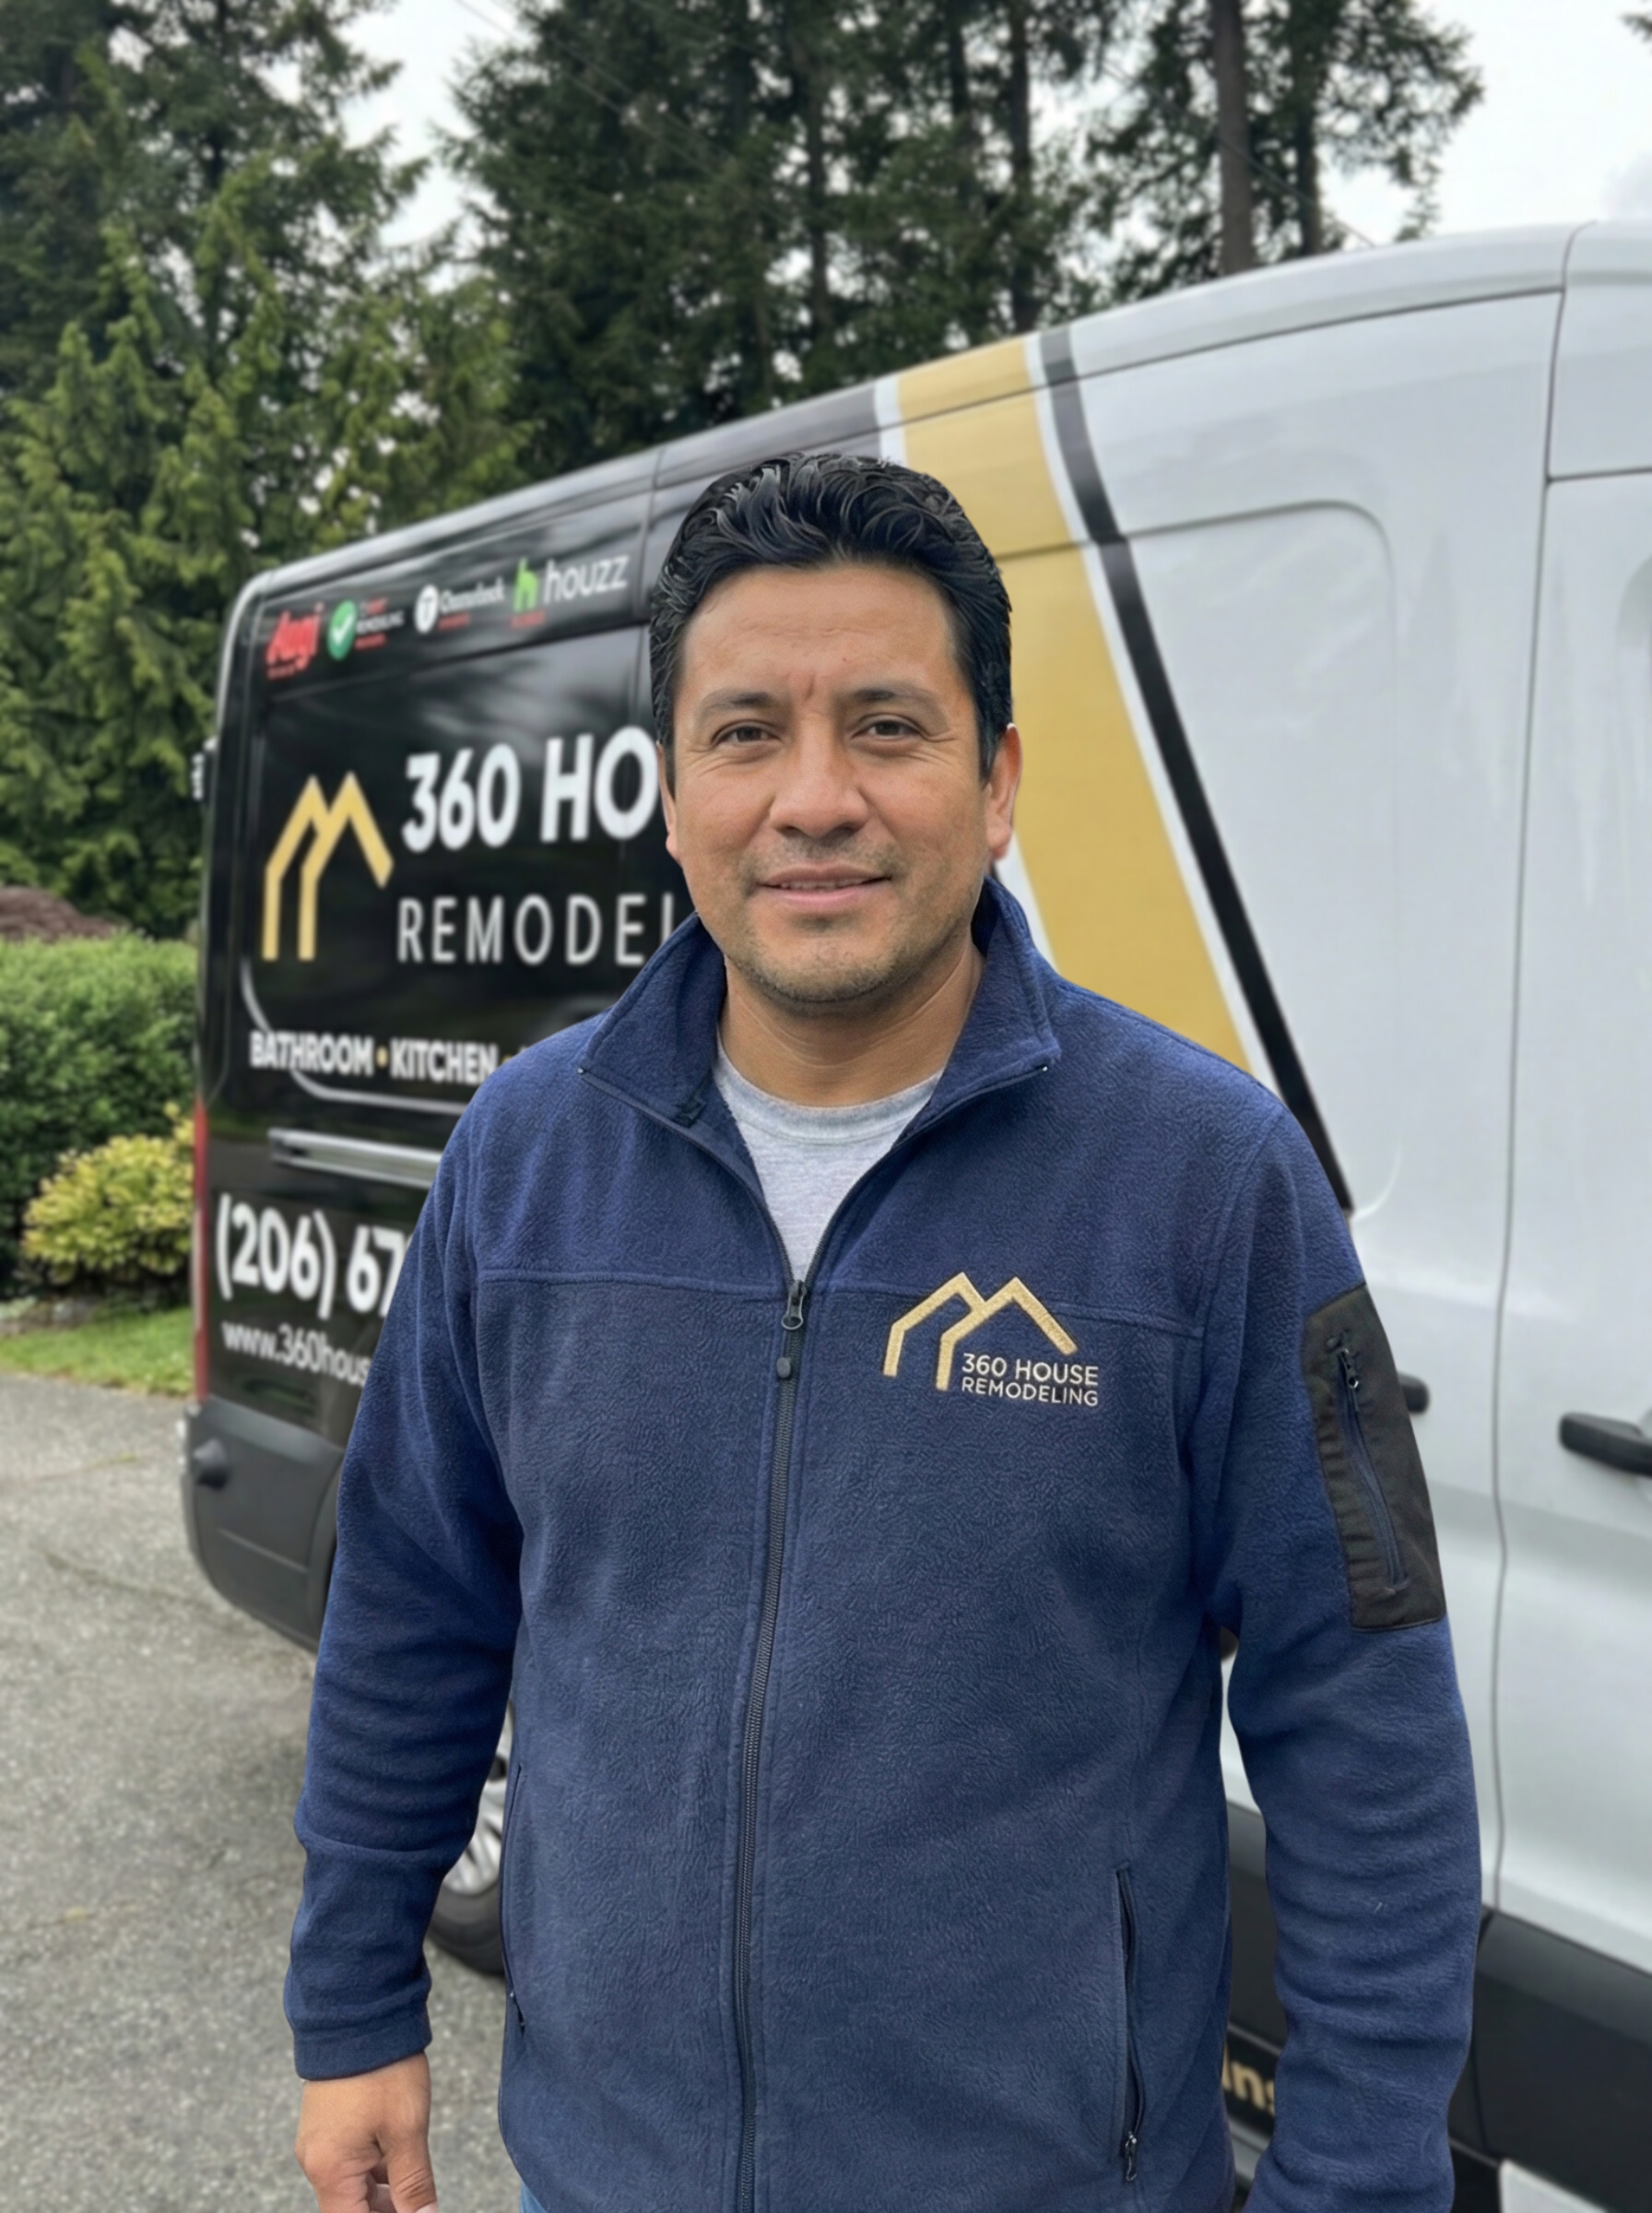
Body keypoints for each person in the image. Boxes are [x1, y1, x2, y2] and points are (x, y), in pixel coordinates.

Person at [288, 453, 1481, 2213]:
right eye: (748, 730)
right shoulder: (523, 1164)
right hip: (607, 2178)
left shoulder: (1208, 1181)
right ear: (675, 787)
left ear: (996, 784)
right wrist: (352, 2005)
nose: (815, 797)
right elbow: (409, 1611)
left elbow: (1363, 1712)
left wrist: (1360, 2182)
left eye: (890, 728)